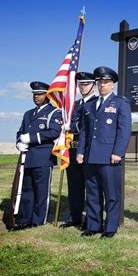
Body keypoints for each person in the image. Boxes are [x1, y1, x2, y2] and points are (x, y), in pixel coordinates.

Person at [76, 66, 132, 238]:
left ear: (112, 84)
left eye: (106, 82)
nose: (102, 85)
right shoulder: (90, 104)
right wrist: (80, 151)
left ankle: (110, 227)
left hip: (109, 157)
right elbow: (85, 130)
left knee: (112, 194)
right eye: (99, 82)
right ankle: (94, 225)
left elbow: (124, 130)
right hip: (90, 156)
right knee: (92, 193)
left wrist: (118, 152)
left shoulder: (121, 103)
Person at [11, 81, 62, 231]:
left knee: (41, 191)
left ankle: (39, 221)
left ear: (47, 95)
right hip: (28, 158)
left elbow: (53, 132)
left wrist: (32, 138)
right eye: (34, 94)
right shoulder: (28, 114)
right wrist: (19, 142)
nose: (36, 97)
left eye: (39, 94)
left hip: (43, 157)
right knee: (27, 190)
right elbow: (20, 132)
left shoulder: (54, 112)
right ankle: (25, 220)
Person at [60, 72, 97, 229]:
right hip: (72, 150)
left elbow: (88, 126)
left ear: (93, 85)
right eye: (80, 84)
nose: (83, 87)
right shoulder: (74, 104)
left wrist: (72, 127)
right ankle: (74, 218)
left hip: (89, 151)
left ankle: (90, 220)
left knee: (91, 187)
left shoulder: (97, 102)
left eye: (86, 84)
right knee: (74, 187)